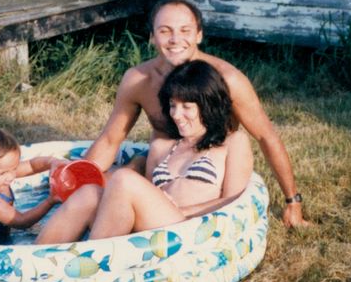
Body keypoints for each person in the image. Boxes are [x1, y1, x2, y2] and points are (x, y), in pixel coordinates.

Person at [84, 0, 309, 228]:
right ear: (152, 36)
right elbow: (110, 139)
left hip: (203, 187)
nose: (175, 40)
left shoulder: (227, 80)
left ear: (199, 35)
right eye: (165, 31)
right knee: (106, 184)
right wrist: (79, 183)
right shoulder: (139, 80)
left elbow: (266, 136)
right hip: (160, 175)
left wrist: (293, 201)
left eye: (185, 30)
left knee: (125, 177)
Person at [35, 61, 253, 243]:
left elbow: (234, 200)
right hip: (150, 228)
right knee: (89, 193)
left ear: (208, 104)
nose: (177, 114)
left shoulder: (232, 142)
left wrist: (186, 210)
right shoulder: (162, 146)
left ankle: (94, 265)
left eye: (187, 106)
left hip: (186, 226)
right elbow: (139, 196)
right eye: (172, 105)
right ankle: (33, 259)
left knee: (124, 179)